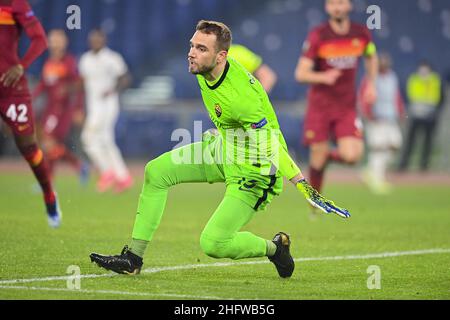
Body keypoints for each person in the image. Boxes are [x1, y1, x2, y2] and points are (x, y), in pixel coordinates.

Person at [90, 21, 350, 278]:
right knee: (156, 172)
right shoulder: (206, 67)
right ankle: (132, 258)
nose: (191, 53)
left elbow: (270, 146)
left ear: (221, 55)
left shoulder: (241, 98)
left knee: (213, 243)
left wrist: (305, 187)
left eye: (201, 48)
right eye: (192, 45)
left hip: (255, 172)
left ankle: (275, 249)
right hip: (224, 149)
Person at [295, 0, 378, 213]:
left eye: (341, 2)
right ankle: (314, 204)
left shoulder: (361, 34)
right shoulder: (318, 35)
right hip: (320, 106)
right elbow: (301, 73)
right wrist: (324, 76)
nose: (337, 7)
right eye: (332, 3)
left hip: (346, 106)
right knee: (318, 154)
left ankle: (323, 157)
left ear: (349, 5)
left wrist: (371, 84)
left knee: (352, 156)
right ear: (327, 8)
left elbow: (371, 56)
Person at [0, 0, 61, 228]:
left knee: (28, 147)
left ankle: (49, 195)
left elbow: (40, 40)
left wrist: (21, 65)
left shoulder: (15, 3)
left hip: (11, 88)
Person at [79, 29, 133, 193]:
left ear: (104, 41)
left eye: (98, 39)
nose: (95, 42)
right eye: (92, 39)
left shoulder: (112, 58)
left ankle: (106, 171)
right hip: (93, 106)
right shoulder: (85, 60)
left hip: (108, 104)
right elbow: (84, 85)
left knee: (87, 138)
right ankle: (123, 177)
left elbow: (126, 77)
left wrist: (114, 89)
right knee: (106, 140)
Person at [33, 29, 88, 182]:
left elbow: (79, 85)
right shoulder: (49, 63)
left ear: (65, 42)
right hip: (49, 110)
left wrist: (78, 108)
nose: (54, 43)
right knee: (49, 145)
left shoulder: (69, 62)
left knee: (48, 143)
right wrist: (31, 98)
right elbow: (43, 85)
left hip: (61, 110)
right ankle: (78, 166)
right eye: (52, 40)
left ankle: (50, 179)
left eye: (58, 39)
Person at [359, 53, 405, 194]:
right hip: (377, 118)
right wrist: (368, 114)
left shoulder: (392, 77)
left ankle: (369, 171)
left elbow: (395, 95)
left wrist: (401, 110)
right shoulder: (371, 78)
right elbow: (363, 96)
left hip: (390, 117)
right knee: (378, 148)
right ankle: (377, 179)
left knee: (395, 144)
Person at [398, 61, 443, 171]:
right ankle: (404, 165)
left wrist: (435, 112)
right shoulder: (414, 79)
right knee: (410, 142)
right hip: (416, 115)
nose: (423, 70)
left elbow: (440, 97)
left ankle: (424, 166)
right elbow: (409, 95)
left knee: (427, 143)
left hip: (430, 116)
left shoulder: (434, 80)